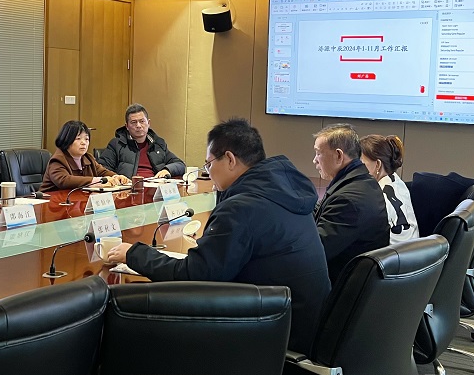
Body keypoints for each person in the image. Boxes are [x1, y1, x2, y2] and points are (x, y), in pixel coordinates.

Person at [108, 118, 331, 354]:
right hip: (302, 324)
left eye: (209, 164)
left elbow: (195, 276)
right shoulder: (282, 191)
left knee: (137, 324)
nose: (208, 171)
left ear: (230, 160)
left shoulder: (242, 207)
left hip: (272, 338)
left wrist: (134, 254)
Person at [312, 123, 389, 282]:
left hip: (338, 286)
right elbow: (318, 211)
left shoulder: (348, 200)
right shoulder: (360, 182)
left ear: (339, 156)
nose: (314, 160)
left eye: (318, 153)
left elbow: (314, 252)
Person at [98, 103, 186, 178]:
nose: (138, 126)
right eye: (133, 122)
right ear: (127, 126)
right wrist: (117, 177)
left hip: (155, 187)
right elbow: (102, 169)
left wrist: (167, 170)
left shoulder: (158, 144)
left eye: (142, 121)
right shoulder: (117, 144)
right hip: (129, 188)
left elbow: (180, 164)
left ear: (148, 123)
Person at [360, 134, 419, 244]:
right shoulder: (398, 182)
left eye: (361, 165)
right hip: (413, 250)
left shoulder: (376, 197)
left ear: (377, 165)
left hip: (389, 253)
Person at [41, 120, 130, 191]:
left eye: (86, 139)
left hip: (78, 200)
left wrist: (116, 177)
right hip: (52, 202)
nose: (84, 143)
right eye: (78, 139)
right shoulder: (58, 159)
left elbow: (102, 172)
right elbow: (64, 180)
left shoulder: (88, 158)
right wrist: (96, 181)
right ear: (67, 140)